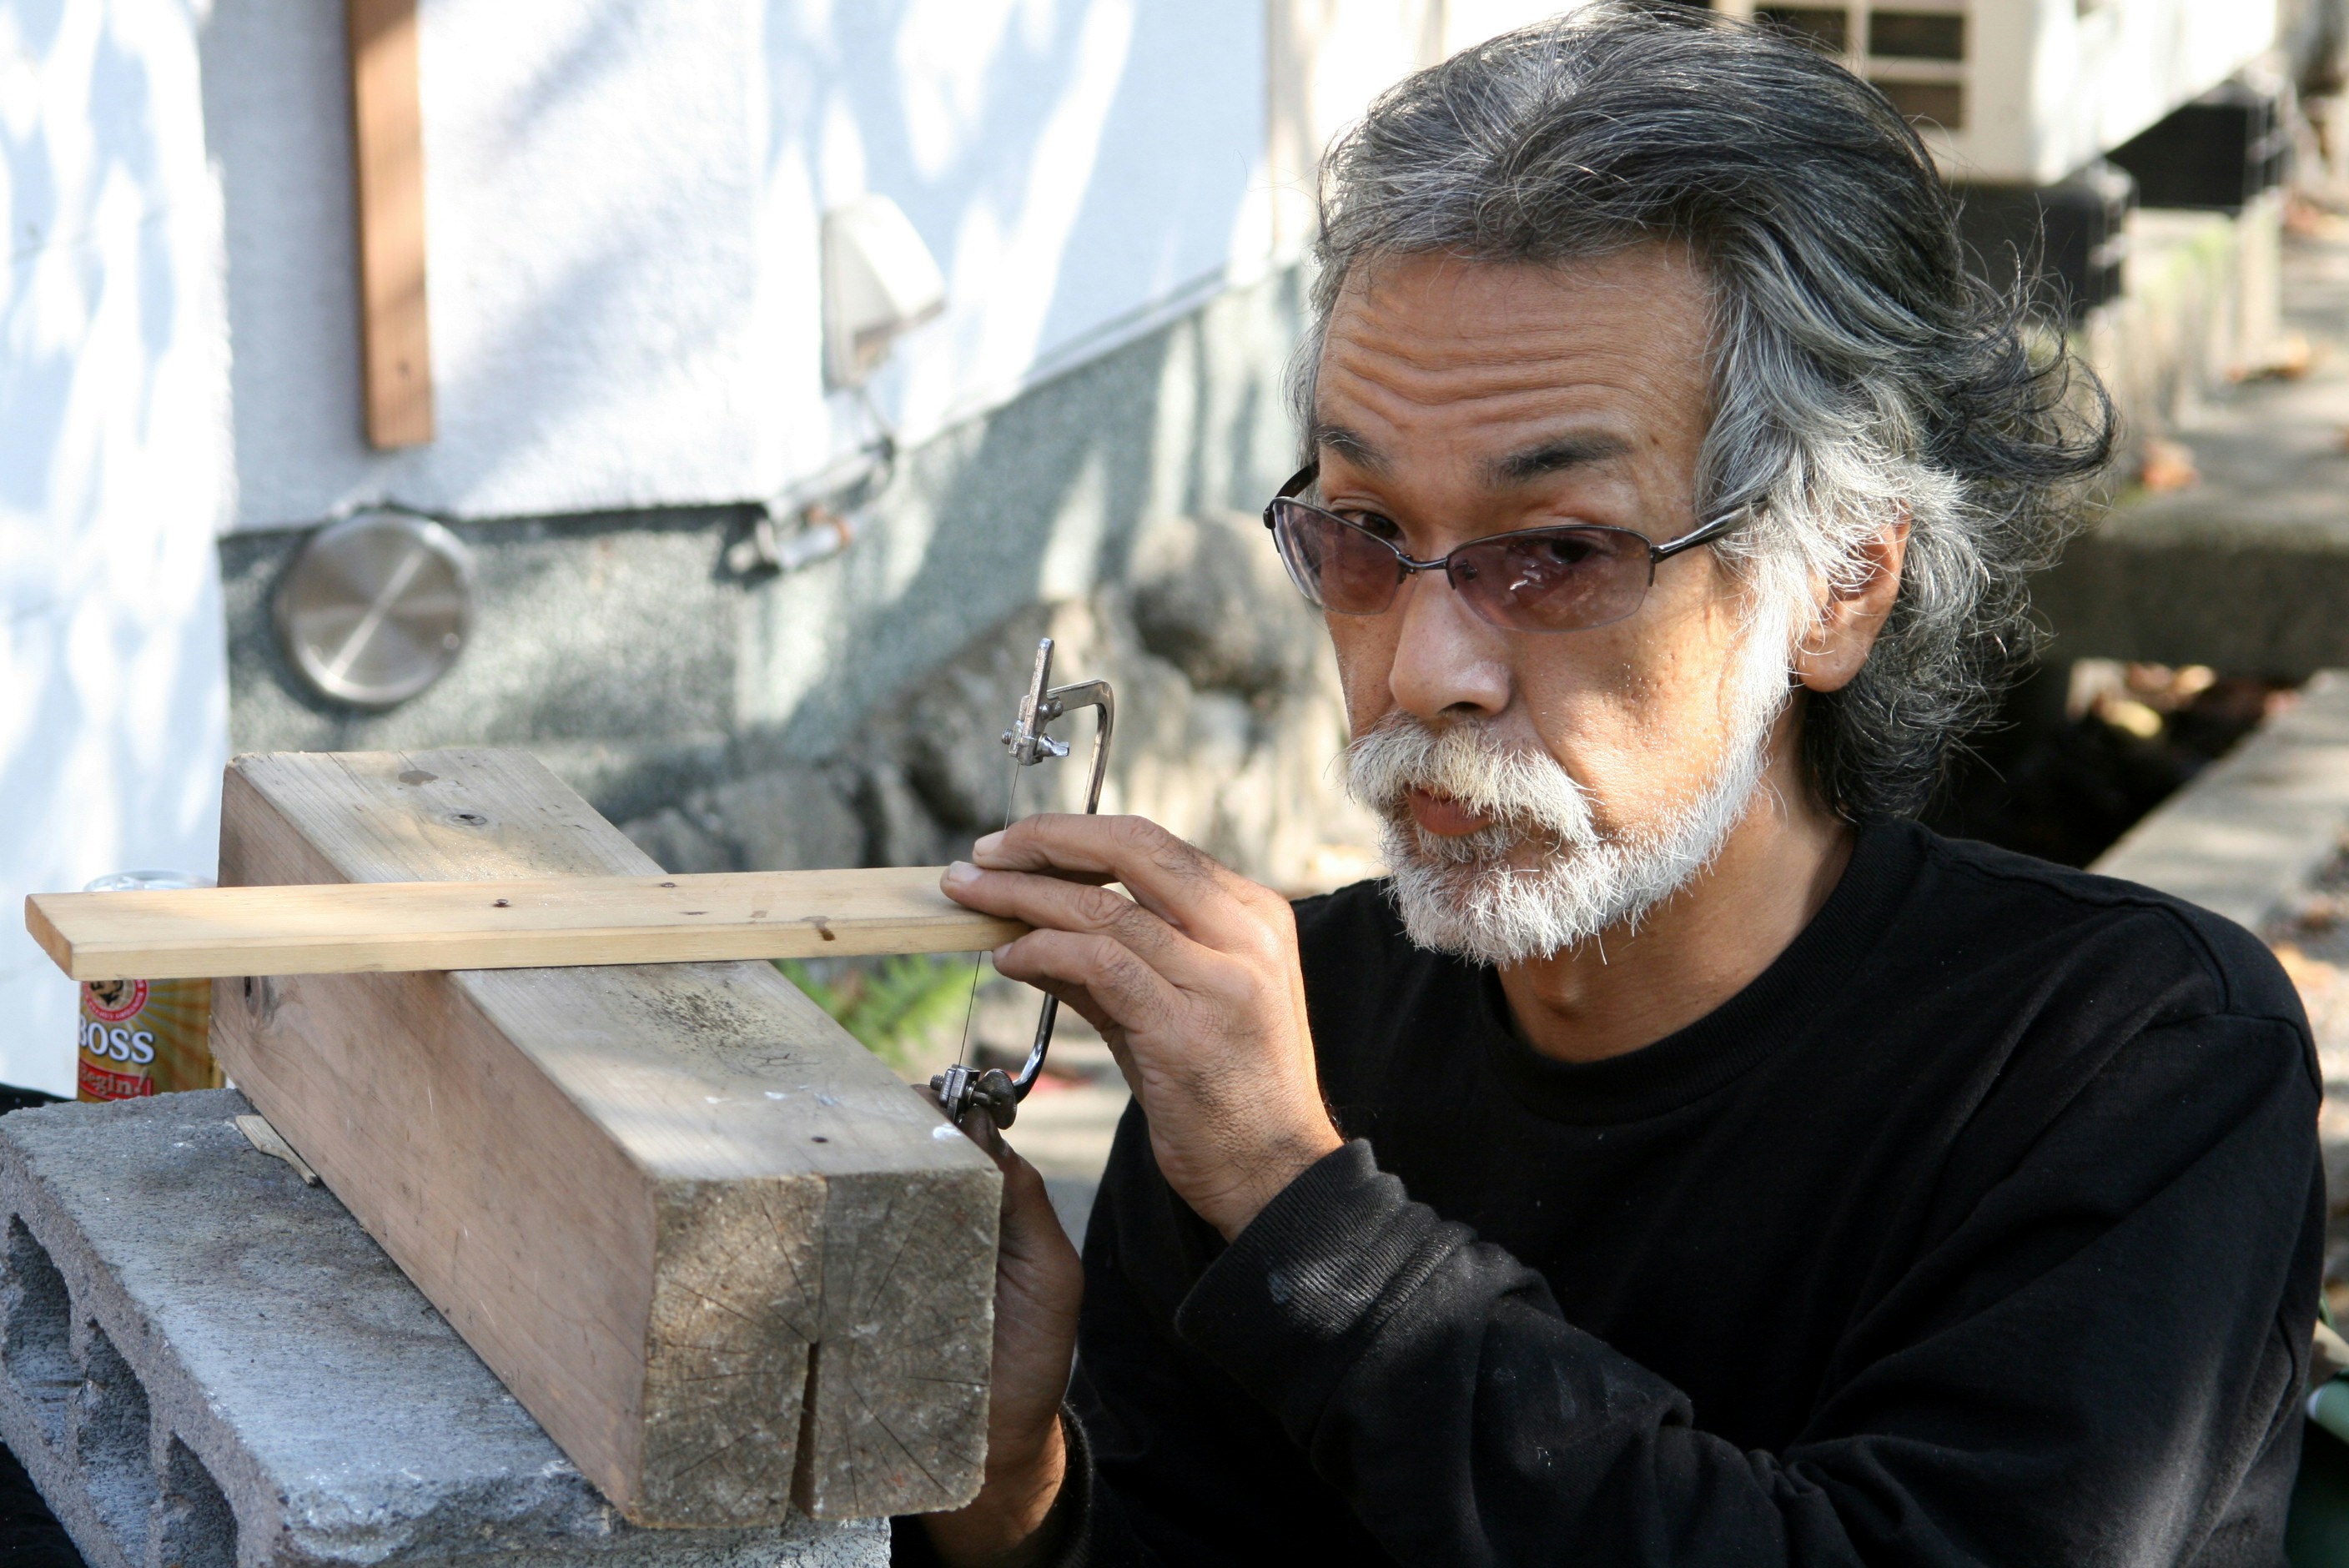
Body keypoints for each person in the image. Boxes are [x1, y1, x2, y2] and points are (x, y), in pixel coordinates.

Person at [908, 6, 2324, 1563]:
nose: (1425, 663)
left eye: (1560, 554)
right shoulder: (1295, 1030)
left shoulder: (2125, 1059)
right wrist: (1005, 1481)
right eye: (1366, 533)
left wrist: (1304, 1214)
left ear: (1841, 581)